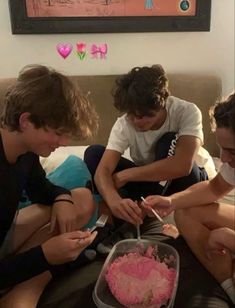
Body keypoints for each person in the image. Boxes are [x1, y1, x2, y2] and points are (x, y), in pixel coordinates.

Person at [0, 64, 99, 308]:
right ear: (26, 121)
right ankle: (22, 291)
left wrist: (61, 197)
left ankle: (22, 282)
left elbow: (42, 188)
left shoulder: (25, 152)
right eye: (56, 133)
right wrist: (45, 255)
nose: (63, 142)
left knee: (82, 200)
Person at [84, 64, 208, 253]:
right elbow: (103, 170)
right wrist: (113, 201)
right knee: (93, 153)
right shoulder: (124, 124)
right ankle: (128, 213)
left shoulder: (187, 112)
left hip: (184, 181)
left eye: (146, 116)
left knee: (168, 141)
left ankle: (132, 222)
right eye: (133, 115)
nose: (138, 122)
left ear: (163, 103)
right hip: (148, 182)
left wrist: (125, 176)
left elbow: (182, 165)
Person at [142, 92, 235, 304]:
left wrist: (226, 237)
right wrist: (172, 201)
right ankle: (229, 285)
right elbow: (215, 187)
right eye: (221, 148)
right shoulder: (229, 162)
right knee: (186, 211)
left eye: (232, 152)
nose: (224, 159)